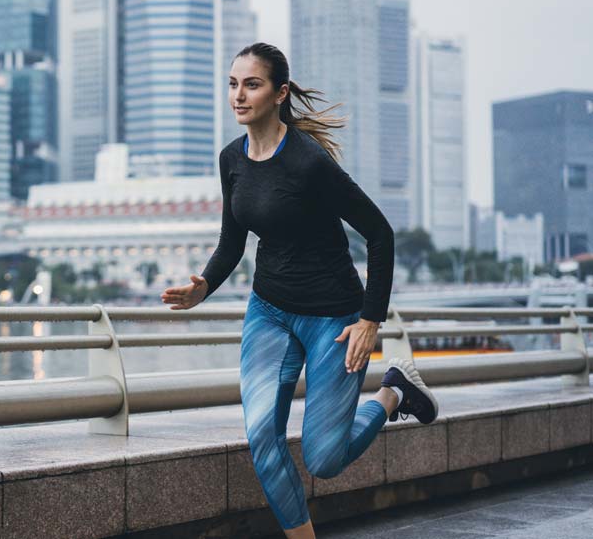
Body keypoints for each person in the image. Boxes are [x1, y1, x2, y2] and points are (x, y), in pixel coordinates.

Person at [160, 43, 438, 539]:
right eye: (232, 84)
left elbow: (380, 233)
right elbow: (232, 242)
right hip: (269, 310)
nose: (238, 95)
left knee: (325, 458)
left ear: (279, 92)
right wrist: (203, 287)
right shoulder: (231, 159)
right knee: (262, 436)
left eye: (252, 84)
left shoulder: (308, 161)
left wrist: (369, 320)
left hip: (334, 316)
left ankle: (395, 391)